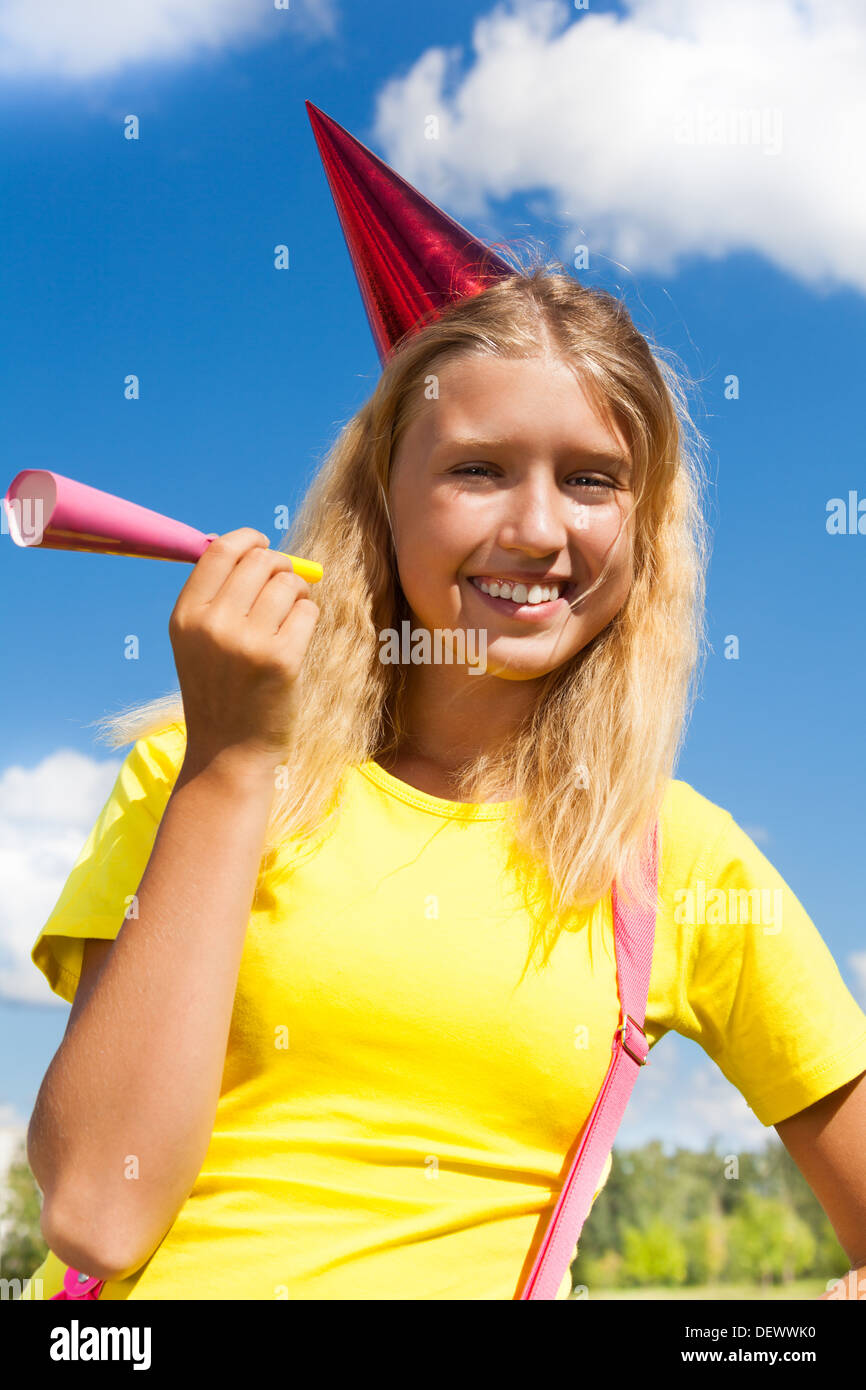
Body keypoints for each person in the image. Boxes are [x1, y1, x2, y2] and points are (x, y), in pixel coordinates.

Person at [21, 109, 866, 1303]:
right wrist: (228, 762)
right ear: (384, 498)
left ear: (642, 529)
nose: (535, 529)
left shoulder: (676, 862)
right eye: (476, 468)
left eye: (589, 480)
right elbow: (99, 1214)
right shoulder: (190, 774)